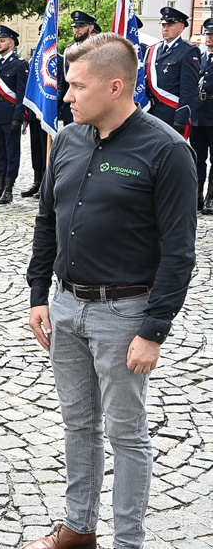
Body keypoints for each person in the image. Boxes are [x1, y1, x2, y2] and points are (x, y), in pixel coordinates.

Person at [25, 33, 197, 549]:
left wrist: (153, 330)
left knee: (126, 435)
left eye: (77, 85)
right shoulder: (70, 139)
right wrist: (39, 294)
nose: (67, 96)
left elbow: (179, 251)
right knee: (78, 425)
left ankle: (128, 542)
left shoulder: (167, 150)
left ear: (115, 85)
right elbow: (46, 221)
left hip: (124, 314)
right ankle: (79, 528)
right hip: (65, 305)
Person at [144, 7, 200, 140]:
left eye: (170, 25)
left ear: (181, 27)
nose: (165, 28)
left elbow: (189, 89)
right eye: (163, 25)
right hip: (149, 111)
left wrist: (181, 118)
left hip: (170, 112)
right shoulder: (152, 49)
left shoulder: (188, 51)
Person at [0, 25, 29, 204]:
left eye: (2, 40)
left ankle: (9, 189)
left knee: (12, 151)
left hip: (10, 113)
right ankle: (0, 186)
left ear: (12, 43)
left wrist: (18, 116)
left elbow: (21, 93)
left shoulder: (20, 64)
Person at [57, 11, 97, 126]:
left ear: (91, 27)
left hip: (91, 104)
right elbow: (64, 83)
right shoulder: (69, 50)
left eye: (81, 26)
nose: (77, 30)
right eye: (75, 27)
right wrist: (55, 105)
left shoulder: (98, 49)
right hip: (72, 106)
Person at [192, 18, 213, 213]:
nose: (209, 37)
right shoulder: (199, 57)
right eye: (207, 33)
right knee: (197, 158)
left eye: (212, 34)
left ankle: (211, 198)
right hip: (198, 113)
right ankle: (196, 195)